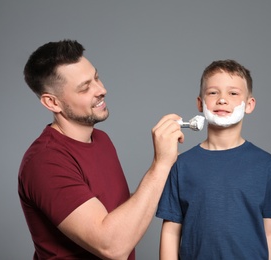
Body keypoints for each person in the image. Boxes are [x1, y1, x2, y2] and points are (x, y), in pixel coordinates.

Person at [18, 39, 184, 260]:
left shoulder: (101, 140)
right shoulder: (44, 162)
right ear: (52, 103)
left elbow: (121, 213)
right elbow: (112, 247)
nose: (102, 90)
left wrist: (177, 184)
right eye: (85, 87)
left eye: (96, 77)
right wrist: (160, 165)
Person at [156, 59, 271, 259]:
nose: (222, 99)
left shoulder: (266, 165)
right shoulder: (181, 166)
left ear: (249, 104)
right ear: (200, 103)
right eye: (213, 92)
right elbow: (170, 231)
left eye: (233, 93)